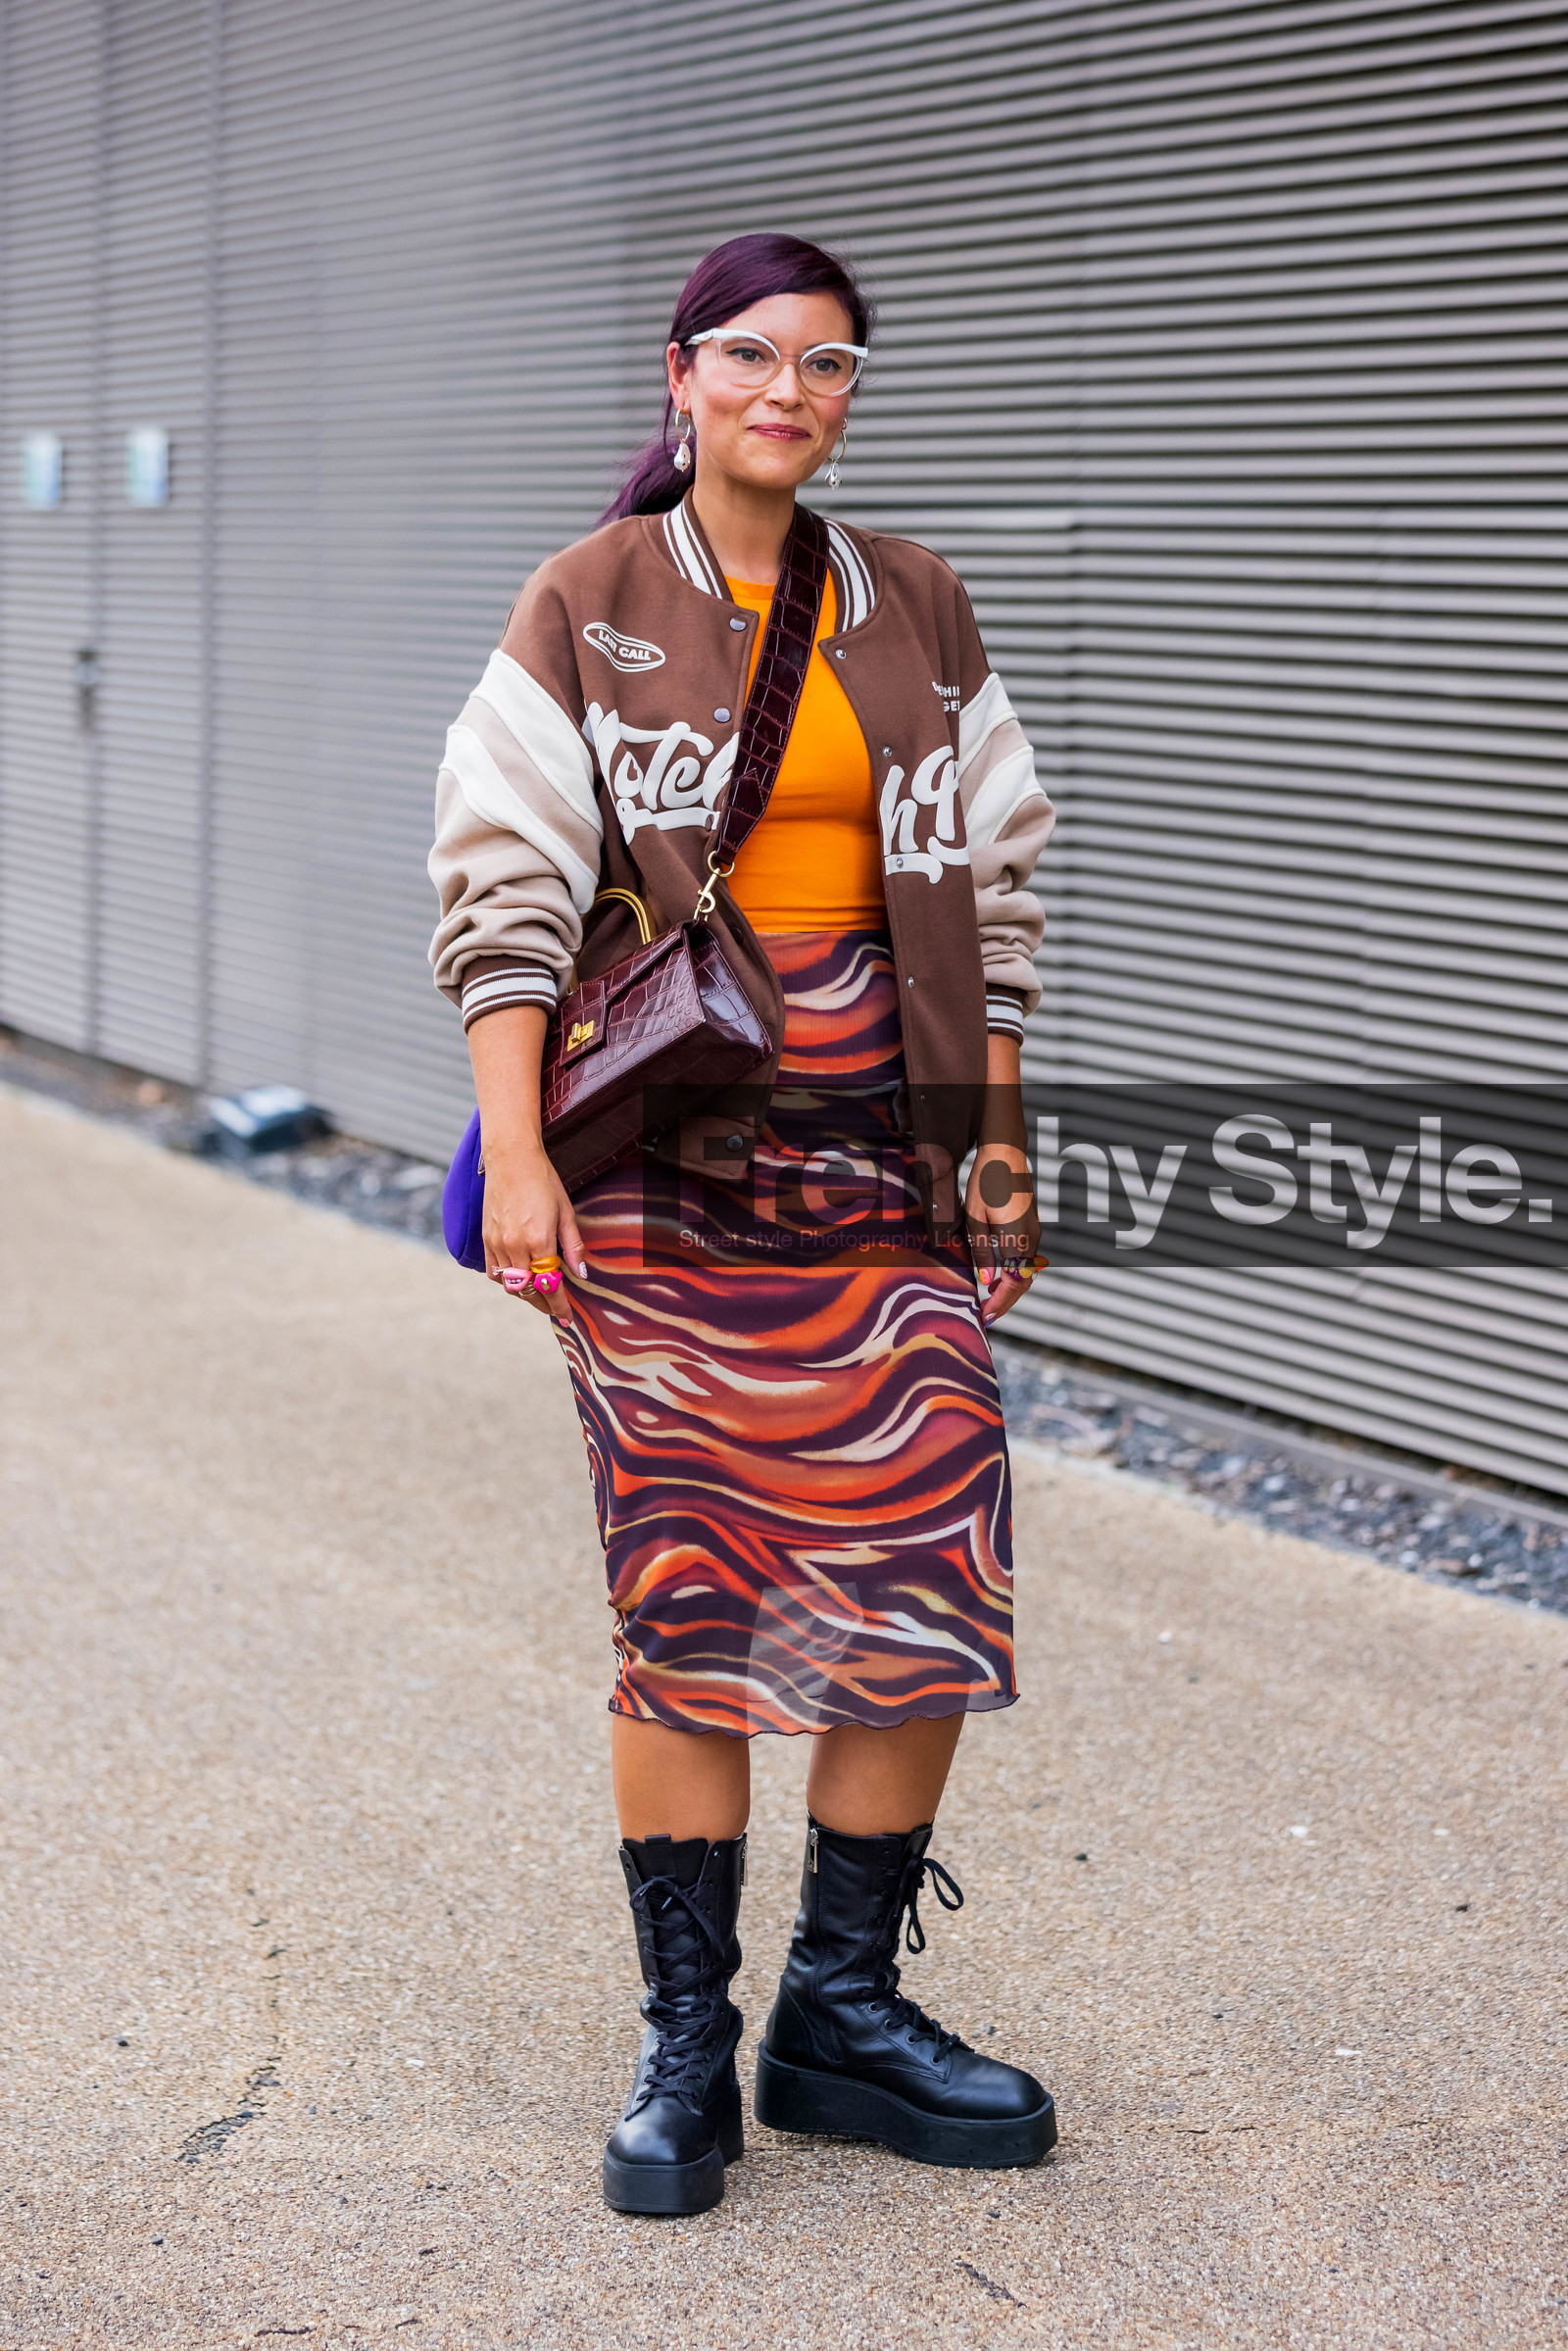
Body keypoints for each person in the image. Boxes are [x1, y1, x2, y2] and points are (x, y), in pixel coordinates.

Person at [428, 232, 1056, 2215]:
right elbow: (504, 886)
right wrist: (515, 1157)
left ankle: (839, 2013)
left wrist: (990, 1134)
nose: (794, 391)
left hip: (883, 1153)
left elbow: (995, 885)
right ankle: (685, 2044)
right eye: (757, 356)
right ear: (682, 374)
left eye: (832, 365)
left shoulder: (916, 601)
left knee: (928, 1564)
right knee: (690, 1595)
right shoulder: (590, 600)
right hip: (663, 1162)